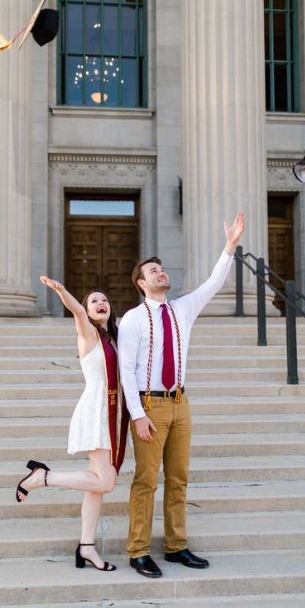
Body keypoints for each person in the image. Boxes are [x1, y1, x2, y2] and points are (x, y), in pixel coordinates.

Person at [117, 212, 246, 578]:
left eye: (162, 268)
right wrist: (137, 414)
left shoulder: (182, 310)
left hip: (179, 404)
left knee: (178, 478)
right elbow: (126, 370)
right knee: (146, 480)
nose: (161, 272)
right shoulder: (132, 319)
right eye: (153, 271)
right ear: (142, 283)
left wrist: (230, 245)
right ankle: (139, 550)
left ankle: (176, 546)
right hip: (149, 405)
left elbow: (212, 284)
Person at [14, 279, 129, 572]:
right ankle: (43, 477)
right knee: (106, 481)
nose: (101, 304)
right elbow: (77, 313)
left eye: (104, 300)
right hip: (97, 410)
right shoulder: (88, 332)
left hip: (110, 410)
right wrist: (63, 292)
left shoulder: (112, 337)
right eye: (94, 301)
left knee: (96, 484)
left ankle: (87, 547)